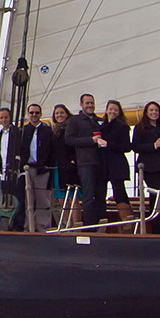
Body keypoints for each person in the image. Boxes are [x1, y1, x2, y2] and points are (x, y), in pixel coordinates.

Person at [65, 93, 105, 226]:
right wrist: (90, 140)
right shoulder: (74, 120)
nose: (90, 105)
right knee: (88, 196)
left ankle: (101, 223)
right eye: (87, 103)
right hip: (85, 163)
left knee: (100, 195)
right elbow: (69, 139)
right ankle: (90, 226)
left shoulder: (99, 120)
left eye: (92, 103)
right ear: (81, 105)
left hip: (100, 162)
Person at [132, 101, 160, 234]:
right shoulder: (140, 127)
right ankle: (158, 230)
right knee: (156, 196)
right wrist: (153, 145)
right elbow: (135, 147)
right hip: (148, 167)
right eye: (151, 110)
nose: (154, 113)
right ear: (146, 113)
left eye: (156, 110)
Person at [17, 104, 54, 232]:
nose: (34, 115)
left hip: (42, 169)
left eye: (36, 113)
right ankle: (29, 227)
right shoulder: (23, 131)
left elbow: (52, 151)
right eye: (32, 113)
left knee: (43, 200)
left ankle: (43, 227)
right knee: (28, 200)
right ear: (28, 114)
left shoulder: (47, 131)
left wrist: (47, 166)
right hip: (27, 169)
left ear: (40, 114)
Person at [99, 100, 134, 226]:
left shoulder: (122, 127)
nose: (112, 112)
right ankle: (102, 221)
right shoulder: (101, 126)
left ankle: (127, 220)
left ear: (119, 112)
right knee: (100, 192)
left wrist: (108, 144)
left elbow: (126, 147)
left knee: (119, 191)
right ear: (106, 110)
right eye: (110, 109)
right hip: (103, 164)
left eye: (115, 110)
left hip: (116, 164)